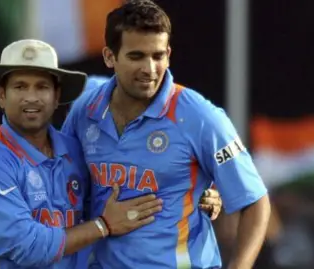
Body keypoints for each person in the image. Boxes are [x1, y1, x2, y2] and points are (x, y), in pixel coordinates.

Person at [0, 39, 222, 268]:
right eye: (20, 87)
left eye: (42, 87)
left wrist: (196, 193)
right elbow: (29, 248)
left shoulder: (75, 149)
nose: (31, 97)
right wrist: (103, 226)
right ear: (1, 95)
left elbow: (130, 187)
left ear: (57, 95)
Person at [61, 1, 271, 268]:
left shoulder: (200, 117)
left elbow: (255, 201)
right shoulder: (85, 109)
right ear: (109, 56)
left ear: (169, 54)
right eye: (136, 56)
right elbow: (65, 183)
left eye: (158, 56)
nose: (149, 69)